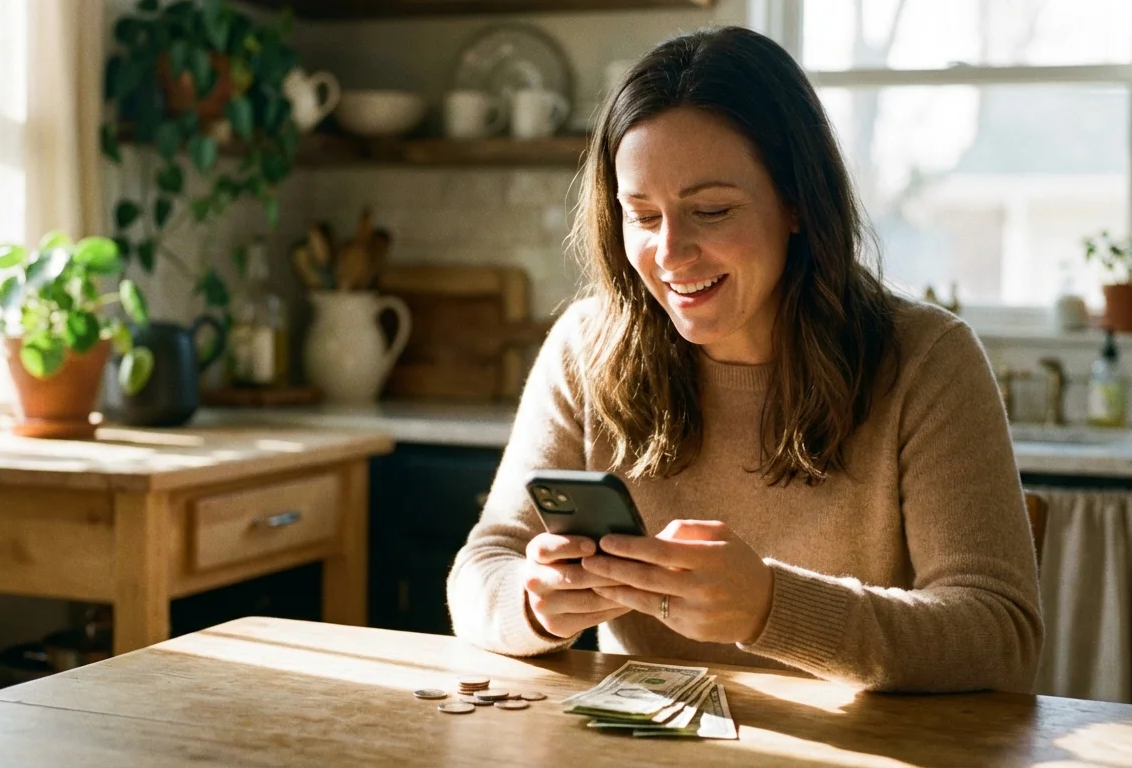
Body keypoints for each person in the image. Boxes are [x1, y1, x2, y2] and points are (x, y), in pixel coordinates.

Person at [446, 25, 1042, 693]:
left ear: (796, 203)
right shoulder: (589, 347)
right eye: (642, 216)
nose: (670, 254)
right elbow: (484, 565)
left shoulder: (928, 360)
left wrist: (770, 607)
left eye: (711, 210)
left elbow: (1000, 633)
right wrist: (531, 603)